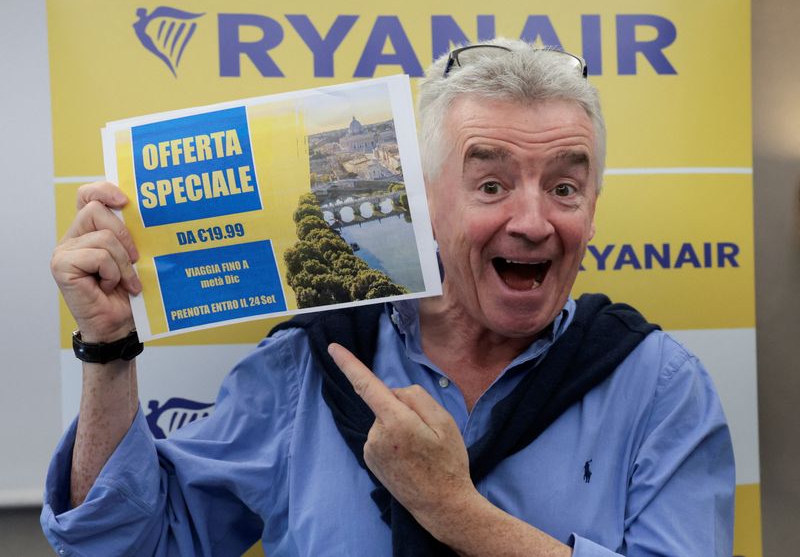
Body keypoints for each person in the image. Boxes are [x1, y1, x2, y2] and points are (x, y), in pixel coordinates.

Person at [44, 39, 735, 557]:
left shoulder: (660, 388)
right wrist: (108, 352)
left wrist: (456, 510)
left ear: (592, 207)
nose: (533, 220)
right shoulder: (307, 369)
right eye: (490, 185)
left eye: (564, 187)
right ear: (423, 203)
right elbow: (125, 546)